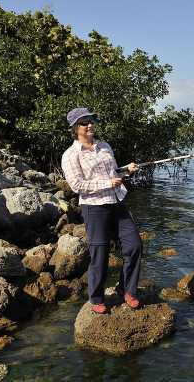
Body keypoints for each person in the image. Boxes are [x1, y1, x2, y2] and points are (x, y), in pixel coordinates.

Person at [61, 107, 142, 314]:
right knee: (100, 254)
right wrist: (107, 183)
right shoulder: (70, 155)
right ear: (74, 128)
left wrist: (126, 169)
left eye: (91, 121)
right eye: (84, 122)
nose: (89, 125)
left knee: (134, 245)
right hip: (94, 207)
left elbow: (113, 172)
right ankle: (96, 298)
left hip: (117, 202)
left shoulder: (105, 146)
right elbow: (77, 185)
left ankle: (127, 290)